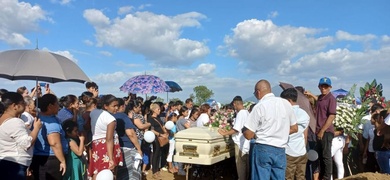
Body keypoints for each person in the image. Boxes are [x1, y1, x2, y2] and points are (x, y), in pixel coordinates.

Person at [243, 79, 297, 180]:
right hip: (280, 149)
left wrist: (245, 130)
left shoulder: (260, 106)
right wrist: (280, 132)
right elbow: (294, 128)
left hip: (263, 147)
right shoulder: (286, 104)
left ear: (258, 92)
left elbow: (248, 135)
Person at [0, 92, 42, 180]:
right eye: (23, 103)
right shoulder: (15, 122)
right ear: (15, 106)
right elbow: (26, 143)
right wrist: (36, 128)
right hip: (14, 164)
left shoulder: (3, 119)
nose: (25, 105)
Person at [305, 77, 337, 179]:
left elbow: (332, 116)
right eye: (322, 86)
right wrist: (310, 95)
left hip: (326, 131)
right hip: (318, 131)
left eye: (326, 86)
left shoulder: (331, 98)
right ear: (319, 87)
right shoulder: (320, 98)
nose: (323, 88)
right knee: (319, 156)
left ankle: (327, 177)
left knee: (326, 156)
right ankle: (322, 175)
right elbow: (318, 100)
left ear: (330, 87)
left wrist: (322, 130)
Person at [31, 94, 68, 179]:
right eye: (57, 104)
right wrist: (62, 161)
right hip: (51, 159)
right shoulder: (51, 123)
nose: (59, 106)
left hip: (39, 158)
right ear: (50, 106)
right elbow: (54, 143)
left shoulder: (38, 117)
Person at [88, 94, 123, 179]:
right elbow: (109, 139)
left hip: (97, 146)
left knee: (97, 170)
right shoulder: (110, 119)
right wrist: (111, 159)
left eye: (117, 105)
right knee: (110, 172)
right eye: (114, 106)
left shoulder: (94, 113)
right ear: (105, 106)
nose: (116, 108)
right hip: (108, 148)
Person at [280, 88, 310, 180]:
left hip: (289, 151)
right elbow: (305, 135)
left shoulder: (285, 113)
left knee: (288, 177)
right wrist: (303, 148)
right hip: (301, 151)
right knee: (301, 176)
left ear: (288, 101)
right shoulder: (305, 114)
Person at [218, 96, 250, 180]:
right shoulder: (246, 112)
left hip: (240, 143)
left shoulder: (241, 113)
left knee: (240, 166)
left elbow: (236, 129)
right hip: (246, 143)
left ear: (235, 104)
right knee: (246, 166)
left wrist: (224, 133)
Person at [114, 98, 142, 180]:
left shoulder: (108, 116)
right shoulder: (123, 116)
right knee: (132, 174)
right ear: (122, 106)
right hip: (127, 148)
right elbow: (131, 133)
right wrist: (139, 148)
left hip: (116, 148)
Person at [148, 103, 169, 180]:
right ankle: (154, 171)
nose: (159, 110)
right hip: (156, 138)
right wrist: (161, 134)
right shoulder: (150, 118)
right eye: (158, 109)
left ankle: (157, 169)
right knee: (156, 154)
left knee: (159, 153)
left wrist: (165, 132)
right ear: (154, 110)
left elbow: (161, 125)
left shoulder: (158, 117)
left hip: (161, 137)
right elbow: (152, 130)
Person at [362, 103, 383, 172]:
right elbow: (368, 140)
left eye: (372, 119)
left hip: (377, 151)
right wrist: (365, 151)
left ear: (376, 120)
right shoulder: (371, 130)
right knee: (370, 167)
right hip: (370, 151)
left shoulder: (381, 130)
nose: (370, 120)